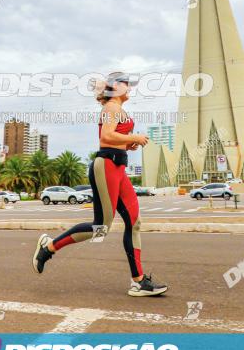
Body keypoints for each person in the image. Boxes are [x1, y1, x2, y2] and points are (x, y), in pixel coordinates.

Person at [32, 72, 168, 296]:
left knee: (134, 222)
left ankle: (139, 281)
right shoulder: (111, 108)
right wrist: (134, 138)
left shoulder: (118, 109)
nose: (131, 88)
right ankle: (48, 248)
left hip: (118, 169)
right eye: (127, 84)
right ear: (115, 87)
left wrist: (128, 145)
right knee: (101, 227)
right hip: (106, 167)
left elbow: (116, 137)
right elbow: (106, 137)